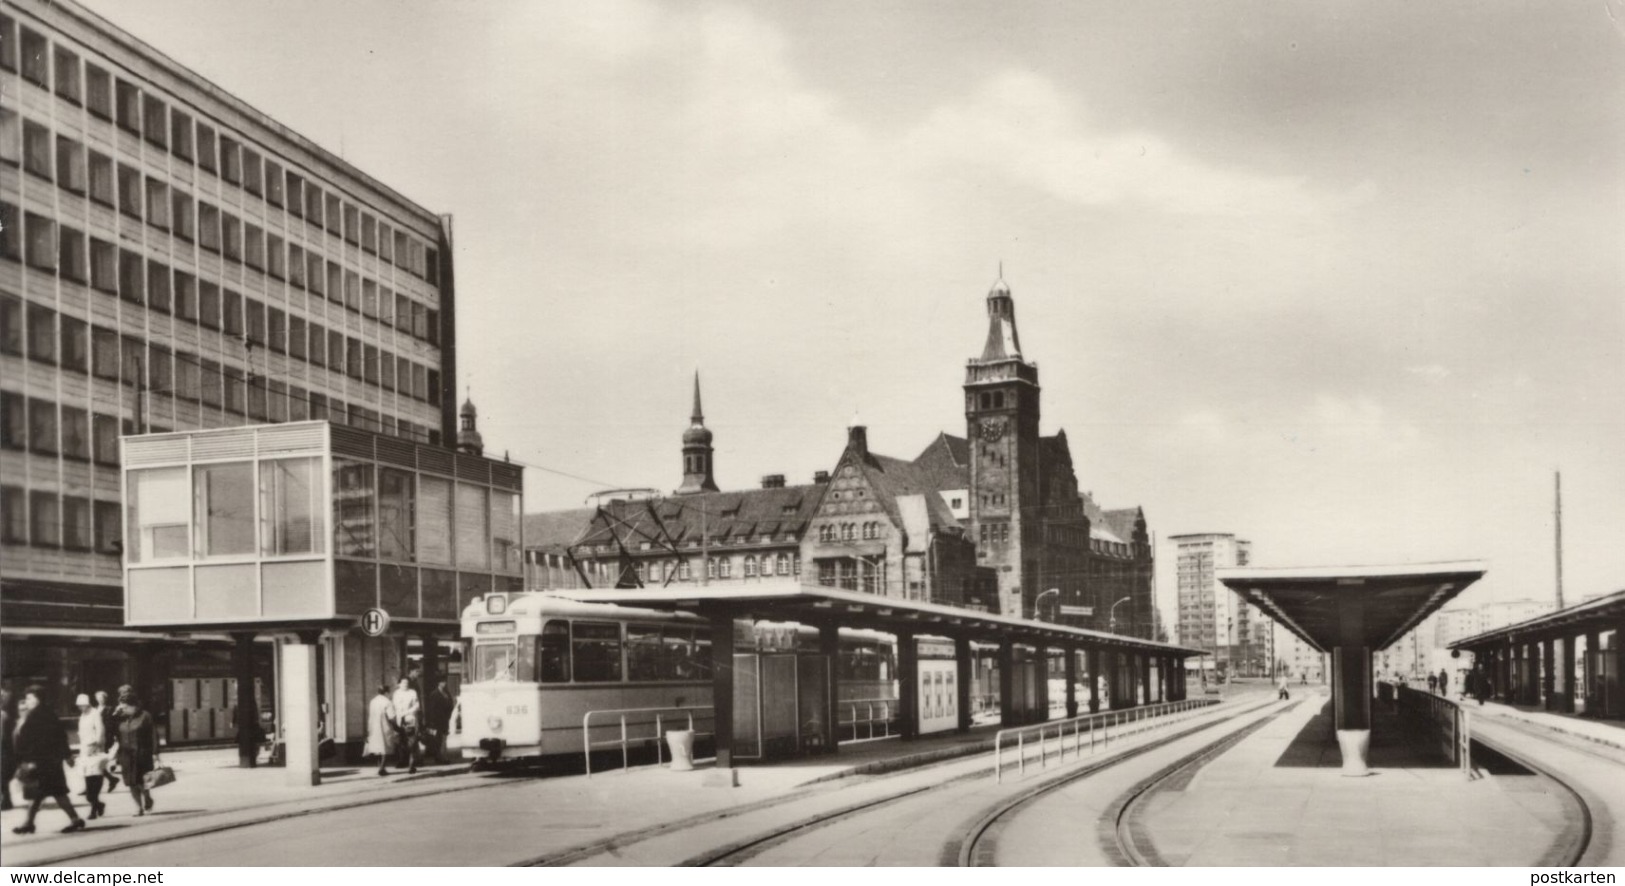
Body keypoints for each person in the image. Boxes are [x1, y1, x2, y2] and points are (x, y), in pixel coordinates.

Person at [11, 685, 87, 834]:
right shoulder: (47, 713)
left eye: (29, 698)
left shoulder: (36, 715)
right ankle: (32, 822)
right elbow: (61, 736)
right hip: (50, 762)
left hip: (41, 762)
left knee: (46, 792)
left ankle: (31, 823)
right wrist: (66, 755)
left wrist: (26, 759)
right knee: (51, 792)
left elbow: (30, 740)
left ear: (38, 699)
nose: (27, 701)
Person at [115, 686, 158, 816]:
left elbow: (153, 735)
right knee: (131, 783)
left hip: (142, 754)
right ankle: (138, 807)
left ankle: (147, 797)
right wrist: (114, 715)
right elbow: (111, 731)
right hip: (126, 755)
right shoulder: (121, 718)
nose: (123, 709)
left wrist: (155, 753)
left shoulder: (145, 716)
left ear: (133, 706)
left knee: (141, 781)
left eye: (125, 707)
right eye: (121, 707)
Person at [74, 694, 111, 820]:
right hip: (85, 751)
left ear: (87, 704)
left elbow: (100, 731)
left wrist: (97, 745)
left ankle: (94, 809)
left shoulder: (95, 714)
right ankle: (98, 804)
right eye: (79, 706)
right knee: (88, 781)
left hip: (95, 752)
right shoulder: (83, 715)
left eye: (82, 705)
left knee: (94, 781)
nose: (80, 708)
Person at [364, 684, 396, 776]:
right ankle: (382, 768)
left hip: (374, 727)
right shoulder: (387, 702)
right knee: (385, 748)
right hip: (385, 727)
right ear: (386, 692)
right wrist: (396, 726)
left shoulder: (373, 701)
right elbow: (391, 717)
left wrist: (368, 730)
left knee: (378, 748)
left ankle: (380, 766)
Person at [392, 677, 422, 774]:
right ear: (399, 684)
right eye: (403, 683)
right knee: (401, 742)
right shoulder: (396, 693)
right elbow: (394, 706)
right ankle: (402, 761)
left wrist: (407, 712)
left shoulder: (412, 692)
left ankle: (412, 765)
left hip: (410, 719)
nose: (405, 684)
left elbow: (417, 706)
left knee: (412, 743)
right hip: (399, 721)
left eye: (407, 683)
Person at [95, 691, 121, 793]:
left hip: (105, 737)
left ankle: (110, 779)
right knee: (96, 761)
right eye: (98, 697)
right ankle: (111, 779)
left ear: (105, 698)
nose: (100, 699)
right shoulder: (96, 709)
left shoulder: (109, 709)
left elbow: (111, 724)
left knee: (97, 761)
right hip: (96, 736)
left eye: (101, 697)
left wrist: (112, 736)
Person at [425, 680, 454, 764]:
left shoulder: (446, 693)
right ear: (438, 683)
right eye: (442, 682)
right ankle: (439, 757)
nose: (444, 684)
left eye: (445, 682)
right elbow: (431, 709)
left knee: (444, 738)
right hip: (436, 720)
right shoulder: (434, 694)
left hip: (445, 719)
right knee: (438, 740)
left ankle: (443, 756)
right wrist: (432, 721)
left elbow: (450, 704)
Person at [1, 689, 16, 812]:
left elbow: (4, 736)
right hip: (5, 749)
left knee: (3, 776)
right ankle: (6, 800)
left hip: (3, 750)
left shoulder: (3, 715)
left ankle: (6, 800)